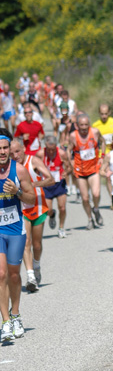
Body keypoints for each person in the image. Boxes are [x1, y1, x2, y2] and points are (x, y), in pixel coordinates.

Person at [0, 129, 36, 342]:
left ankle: (15, 315)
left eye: (5, 148)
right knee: (1, 274)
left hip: (15, 228)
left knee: (14, 275)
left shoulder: (19, 170)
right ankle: (5, 322)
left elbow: (31, 199)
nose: (2, 152)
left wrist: (18, 192)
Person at [10, 140, 54, 293]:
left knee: (37, 245)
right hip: (22, 210)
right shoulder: (11, 168)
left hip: (38, 207)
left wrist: (32, 184)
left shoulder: (33, 161)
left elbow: (50, 178)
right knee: (26, 242)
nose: (15, 156)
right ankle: (31, 278)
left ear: (23, 149)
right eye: (12, 153)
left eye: (18, 151)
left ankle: (36, 265)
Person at [69, 113, 105, 229]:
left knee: (96, 193)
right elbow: (68, 151)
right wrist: (72, 164)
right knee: (85, 198)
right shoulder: (73, 136)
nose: (84, 127)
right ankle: (90, 219)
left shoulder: (94, 132)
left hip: (93, 168)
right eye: (81, 125)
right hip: (80, 171)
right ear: (77, 125)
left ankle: (96, 208)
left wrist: (102, 156)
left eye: (86, 124)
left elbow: (103, 142)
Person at [36, 136, 72, 238]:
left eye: (53, 149)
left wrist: (66, 172)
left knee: (63, 207)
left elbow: (70, 167)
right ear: (45, 146)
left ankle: (61, 228)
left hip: (59, 183)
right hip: (46, 185)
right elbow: (34, 168)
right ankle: (52, 215)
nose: (51, 151)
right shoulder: (40, 154)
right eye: (49, 149)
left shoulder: (61, 153)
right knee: (47, 210)